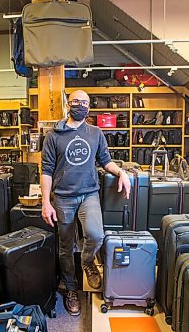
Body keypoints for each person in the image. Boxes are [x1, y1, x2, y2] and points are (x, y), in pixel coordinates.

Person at [41, 89, 131, 316]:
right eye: (76, 102)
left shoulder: (95, 132)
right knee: (65, 245)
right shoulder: (54, 135)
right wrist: (45, 202)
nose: (80, 105)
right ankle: (71, 289)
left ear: (89, 107)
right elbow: (46, 171)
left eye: (85, 102)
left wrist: (121, 172)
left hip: (89, 194)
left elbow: (105, 161)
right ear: (68, 105)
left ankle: (87, 261)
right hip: (63, 197)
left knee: (96, 234)